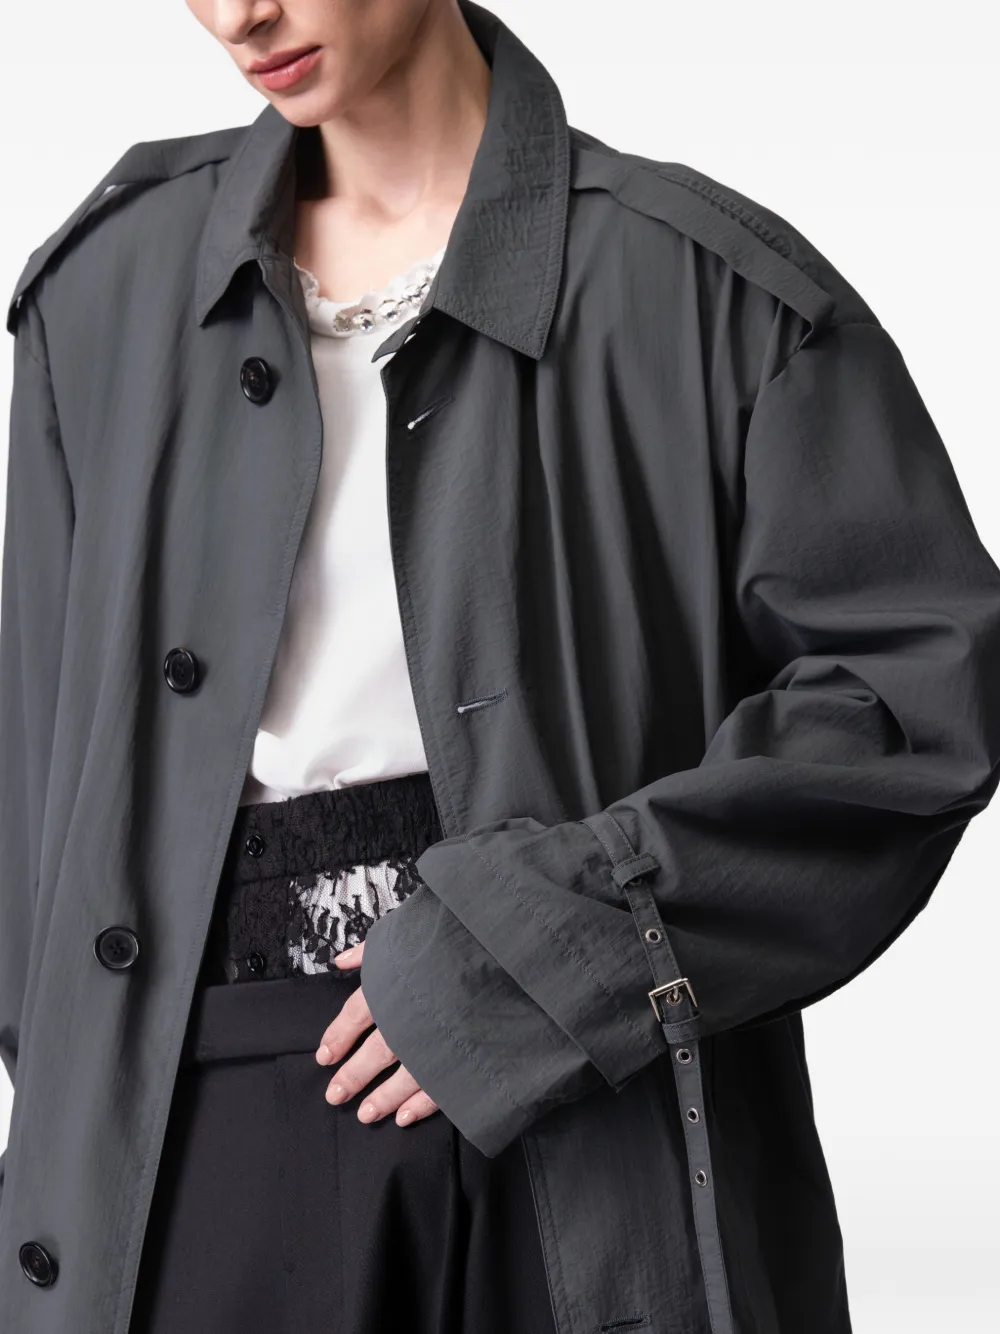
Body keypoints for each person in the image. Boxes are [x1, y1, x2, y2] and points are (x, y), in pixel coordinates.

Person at [3, 1, 1000, 1331]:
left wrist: (554, 944)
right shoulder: (105, 293)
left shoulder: (709, 292)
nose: (240, 12)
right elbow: (37, 814)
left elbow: (915, 701)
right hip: (196, 1153)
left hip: (582, 1138)